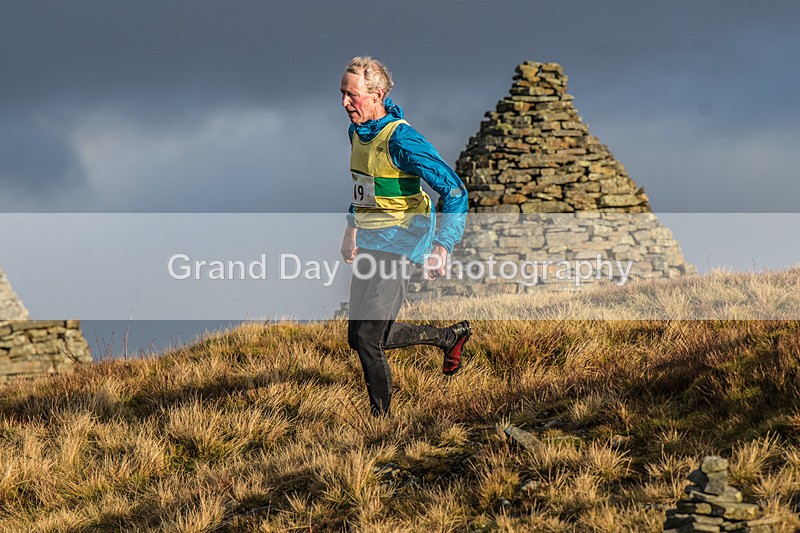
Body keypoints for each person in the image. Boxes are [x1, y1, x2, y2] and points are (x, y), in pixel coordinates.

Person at [339, 56, 471, 416]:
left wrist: (443, 246)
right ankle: (450, 338)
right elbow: (363, 187)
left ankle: (381, 422)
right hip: (369, 240)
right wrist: (351, 228)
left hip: (402, 242)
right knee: (359, 337)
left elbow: (454, 190)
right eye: (342, 94)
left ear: (377, 94)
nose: (345, 103)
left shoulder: (403, 140)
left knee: (369, 339)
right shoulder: (356, 132)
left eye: (352, 95)